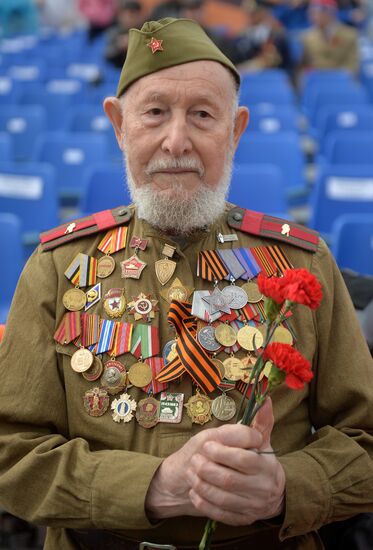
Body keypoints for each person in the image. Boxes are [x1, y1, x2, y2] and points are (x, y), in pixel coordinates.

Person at [0, 17, 372, 550]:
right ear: (119, 124)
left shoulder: (301, 266)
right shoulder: (58, 266)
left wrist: (288, 486)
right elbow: (10, 452)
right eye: (154, 113)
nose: (177, 141)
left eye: (202, 115)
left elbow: (366, 439)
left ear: (236, 129)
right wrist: (154, 489)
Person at [300, 0, 360, 74]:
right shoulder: (307, 37)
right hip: (316, 81)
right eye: (311, 13)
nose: (312, 17)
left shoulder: (349, 35)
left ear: (329, 13)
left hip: (340, 81)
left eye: (315, 13)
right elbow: (303, 67)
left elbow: (352, 66)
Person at [105, 0, 145, 69]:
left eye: (132, 14)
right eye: (126, 14)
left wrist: (135, 43)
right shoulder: (114, 32)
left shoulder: (145, 32)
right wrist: (119, 46)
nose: (129, 18)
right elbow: (107, 54)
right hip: (117, 70)